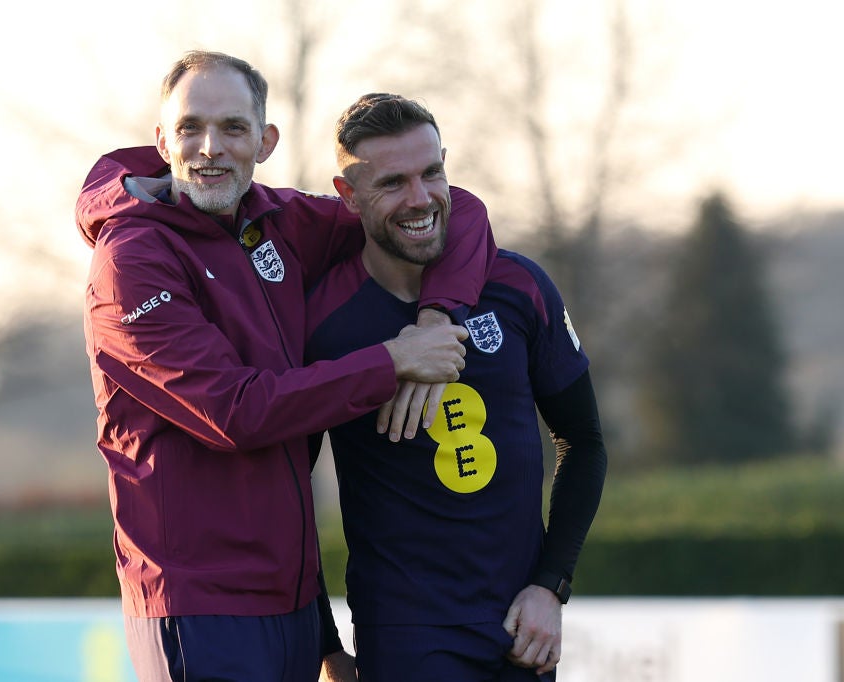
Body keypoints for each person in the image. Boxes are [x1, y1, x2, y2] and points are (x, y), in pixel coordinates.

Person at [76, 51, 500, 681]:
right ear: (162, 139)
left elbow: (451, 209)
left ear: (265, 141)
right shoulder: (132, 259)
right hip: (199, 604)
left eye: (234, 128)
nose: (210, 148)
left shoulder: (277, 221)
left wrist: (436, 319)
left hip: (293, 605)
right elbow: (234, 411)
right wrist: (393, 361)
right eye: (190, 128)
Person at [306, 94, 608, 681]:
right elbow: (283, 493)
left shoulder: (519, 285)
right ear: (348, 195)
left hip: (521, 629)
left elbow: (584, 441)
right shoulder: (322, 321)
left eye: (432, 173)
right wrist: (324, 644)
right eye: (393, 183)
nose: (420, 199)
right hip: (404, 632)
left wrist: (551, 586)